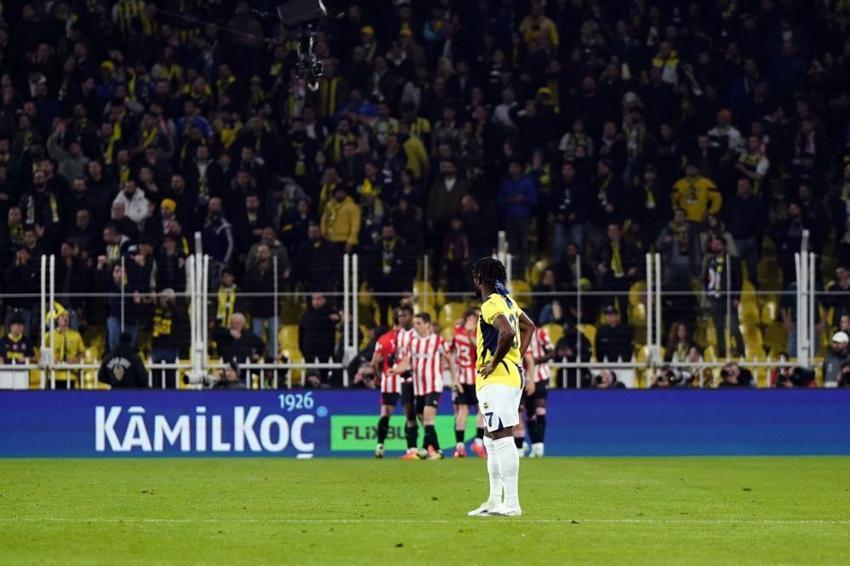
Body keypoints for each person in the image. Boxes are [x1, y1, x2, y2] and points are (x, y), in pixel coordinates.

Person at [467, 257, 535, 517]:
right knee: (491, 437)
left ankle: (513, 503)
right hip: (503, 378)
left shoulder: (490, 304)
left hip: (498, 379)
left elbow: (507, 332)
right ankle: (495, 500)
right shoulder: (508, 301)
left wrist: (496, 362)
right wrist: (516, 359)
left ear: (480, 279)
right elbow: (529, 328)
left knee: (503, 436)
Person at [397, 312, 451, 460]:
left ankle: (421, 450)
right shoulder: (412, 342)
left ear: (428, 324)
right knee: (425, 420)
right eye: (414, 324)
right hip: (419, 387)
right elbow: (406, 361)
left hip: (434, 385)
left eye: (419, 323)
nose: (416, 326)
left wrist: (455, 380)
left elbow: (450, 359)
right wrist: (395, 370)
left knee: (428, 417)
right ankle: (437, 451)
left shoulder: (438, 340)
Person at [450, 309, 486, 459]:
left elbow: (452, 355)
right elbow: (479, 349)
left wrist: (454, 378)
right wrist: (471, 334)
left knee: (465, 411)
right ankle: (473, 443)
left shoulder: (457, 330)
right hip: (473, 376)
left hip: (462, 376)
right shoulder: (478, 333)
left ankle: (461, 446)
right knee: (477, 410)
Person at [390, 304, 420, 460]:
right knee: (409, 413)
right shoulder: (399, 334)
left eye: (404, 316)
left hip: (418, 379)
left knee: (422, 414)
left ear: (411, 316)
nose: (401, 319)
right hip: (404, 379)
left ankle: (432, 446)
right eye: (400, 316)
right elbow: (399, 354)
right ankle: (412, 449)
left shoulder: (416, 334)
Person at [523, 326, 553, 458]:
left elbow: (552, 353)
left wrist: (536, 361)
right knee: (530, 413)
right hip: (525, 379)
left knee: (540, 410)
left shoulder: (540, 333)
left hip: (541, 378)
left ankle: (540, 444)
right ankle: (535, 445)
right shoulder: (517, 334)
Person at [371, 319, 400, 458]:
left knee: (385, 413)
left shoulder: (383, 339)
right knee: (415, 413)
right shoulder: (411, 336)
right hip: (408, 379)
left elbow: (374, 363)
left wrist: (377, 377)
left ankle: (380, 445)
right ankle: (418, 447)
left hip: (389, 380)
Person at [43, 310, 86, 388]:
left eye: (67, 316)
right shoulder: (48, 336)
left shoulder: (76, 335)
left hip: (71, 375)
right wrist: (50, 359)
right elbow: (43, 354)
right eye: (62, 316)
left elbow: (82, 353)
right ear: (57, 319)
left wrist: (75, 359)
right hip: (53, 375)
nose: (65, 318)